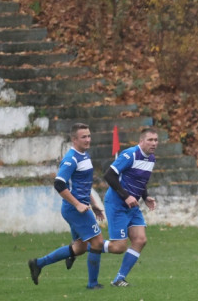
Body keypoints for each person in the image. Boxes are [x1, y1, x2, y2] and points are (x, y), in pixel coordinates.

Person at [28, 123, 106, 289]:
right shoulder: (71, 159)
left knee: (80, 247)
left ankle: (38, 264)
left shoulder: (84, 155)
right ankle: (92, 284)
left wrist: (94, 204)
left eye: (89, 136)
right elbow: (59, 184)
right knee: (98, 242)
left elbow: (83, 185)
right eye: (83, 137)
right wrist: (77, 204)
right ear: (74, 139)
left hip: (80, 208)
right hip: (75, 210)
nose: (88, 139)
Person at [101, 127, 160, 287]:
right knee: (119, 247)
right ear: (141, 141)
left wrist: (145, 196)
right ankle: (85, 246)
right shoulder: (130, 154)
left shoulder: (151, 159)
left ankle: (119, 279)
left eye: (156, 140)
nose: (154, 143)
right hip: (117, 203)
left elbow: (141, 181)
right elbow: (109, 175)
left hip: (132, 205)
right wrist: (126, 196)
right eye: (150, 140)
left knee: (140, 240)